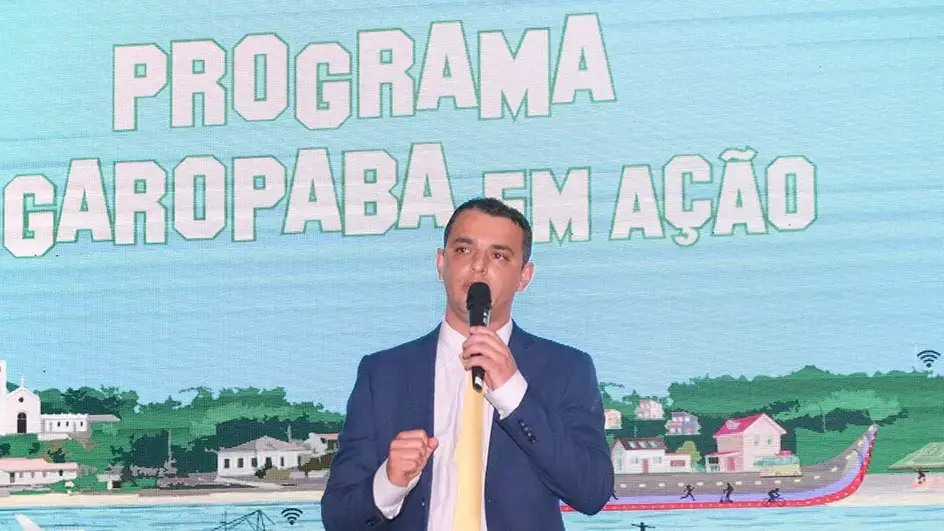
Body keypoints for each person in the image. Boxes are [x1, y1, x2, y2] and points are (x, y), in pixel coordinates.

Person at [320, 197, 614, 530]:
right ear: (440, 263)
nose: (478, 266)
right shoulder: (382, 373)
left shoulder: (566, 369)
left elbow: (592, 492)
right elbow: (337, 518)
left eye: (499, 255)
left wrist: (513, 393)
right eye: (463, 250)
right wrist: (389, 482)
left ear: (524, 277)